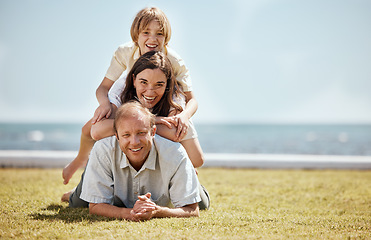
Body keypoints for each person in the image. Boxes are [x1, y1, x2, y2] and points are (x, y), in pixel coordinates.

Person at [62, 7, 203, 185]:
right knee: (87, 130)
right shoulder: (125, 52)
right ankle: (81, 160)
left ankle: (181, 168)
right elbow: (103, 87)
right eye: (146, 32)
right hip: (133, 97)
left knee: (186, 148)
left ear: (166, 37)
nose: (152, 39)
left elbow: (192, 99)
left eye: (159, 34)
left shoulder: (174, 61)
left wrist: (184, 115)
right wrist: (104, 103)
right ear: (136, 35)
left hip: (161, 101)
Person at [62, 51, 210, 210]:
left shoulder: (174, 99)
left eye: (159, 84)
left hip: (156, 163)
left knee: (201, 204)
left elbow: (179, 138)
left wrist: (144, 125)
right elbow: (96, 131)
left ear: (167, 84)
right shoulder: (121, 93)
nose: (150, 91)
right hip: (120, 162)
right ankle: (73, 193)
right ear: (133, 80)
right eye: (144, 82)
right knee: (77, 204)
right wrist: (152, 121)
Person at [80, 101, 200, 221]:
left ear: (152, 132)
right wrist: (130, 213)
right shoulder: (103, 149)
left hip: (181, 181)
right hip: (100, 178)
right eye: (126, 135)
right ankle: (74, 192)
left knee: (200, 201)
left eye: (141, 133)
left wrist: (157, 211)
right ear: (117, 137)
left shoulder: (175, 153)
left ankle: (192, 181)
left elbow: (192, 210)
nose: (134, 142)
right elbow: (95, 206)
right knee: (77, 201)